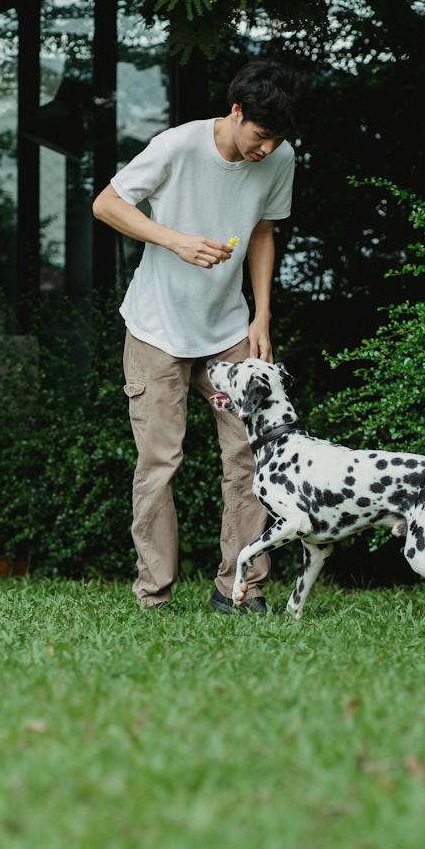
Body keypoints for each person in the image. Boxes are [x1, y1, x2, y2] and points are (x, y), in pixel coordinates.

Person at [91, 60, 301, 613]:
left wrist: (262, 316)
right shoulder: (177, 147)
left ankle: (241, 587)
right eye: (259, 135)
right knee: (160, 464)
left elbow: (262, 230)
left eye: (276, 138)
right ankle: (154, 594)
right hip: (157, 328)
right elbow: (107, 204)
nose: (266, 149)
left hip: (229, 329)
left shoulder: (279, 157)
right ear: (236, 112)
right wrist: (176, 241)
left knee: (251, 455)